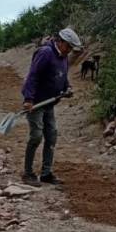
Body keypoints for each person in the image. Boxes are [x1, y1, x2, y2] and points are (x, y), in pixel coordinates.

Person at [20, 27, 82, 186]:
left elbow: (62, 76)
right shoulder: (45, 53)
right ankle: (28, 173)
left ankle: (46, 173)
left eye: (71, 48)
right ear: (60, 42)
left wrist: (67, 88)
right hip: (36, 102)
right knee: (36, 136)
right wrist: (28, 99)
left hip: (49, 103)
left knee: (51, 136)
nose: (69, 50)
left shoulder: (63, 57)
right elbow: (33, 75)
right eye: (68, 46)